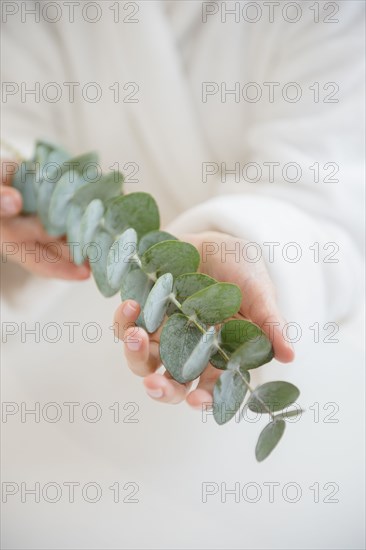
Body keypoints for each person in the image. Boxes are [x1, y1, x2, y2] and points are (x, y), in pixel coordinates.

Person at [1, 2, 364, 549]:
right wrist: (17, 188)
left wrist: (247, 244)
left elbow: (334, 185)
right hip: (49, 401)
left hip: (269, 398)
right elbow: (14, 120)